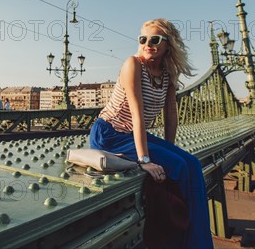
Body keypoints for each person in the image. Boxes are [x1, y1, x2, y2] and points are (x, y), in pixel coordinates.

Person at [89, 18, 213, 249]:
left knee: (192, 164)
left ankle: (198, 242)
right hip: (110, 134)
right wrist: (144, 160)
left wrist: (171, 148)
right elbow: (137, 113)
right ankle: (182, 243)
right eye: (143, 39)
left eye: (155, 39)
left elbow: (171, 115)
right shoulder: (133, 64)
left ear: (168, 44)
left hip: (132, 135)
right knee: (178, 167)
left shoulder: (168, 73)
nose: (148, 44)